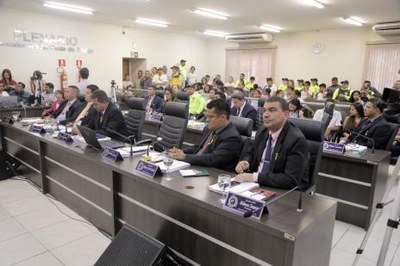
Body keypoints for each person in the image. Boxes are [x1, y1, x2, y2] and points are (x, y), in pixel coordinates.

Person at [234, 96, 309, 189]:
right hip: (254, 185)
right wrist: (246, 162)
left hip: (282, 190)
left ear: (286, 115)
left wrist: (255, 177)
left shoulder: (296, 140)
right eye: (265, 110)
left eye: (272, 110)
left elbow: (291, 179)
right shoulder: (263, 130)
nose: (265, 114)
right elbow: (251, 153)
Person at [169, 99, 242, 171]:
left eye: (210, 117)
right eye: (206, 116)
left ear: (223, 117)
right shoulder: (208, 129)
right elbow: (197, 147)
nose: (207, 120)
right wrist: (180, 152)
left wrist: (185, 157)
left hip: (213, 173)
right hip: (197, 166)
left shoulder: (232, 137)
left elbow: (213, 159)